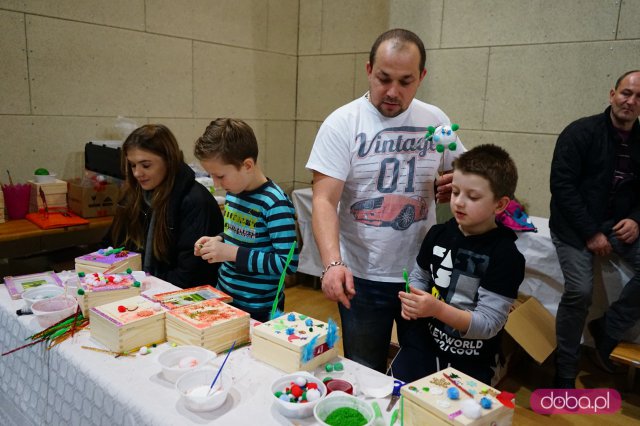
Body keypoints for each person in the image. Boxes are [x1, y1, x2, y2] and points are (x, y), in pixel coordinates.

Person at [306, 28, 464, 373]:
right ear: (368, 71)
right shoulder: (341, 124)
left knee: (422, 370)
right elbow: (323, 200)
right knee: (363, 369)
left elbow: (469, 177)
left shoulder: (435, 120)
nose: (392, 92)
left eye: (406, 81)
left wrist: (458, 185)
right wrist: (332, 264)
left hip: (422, 274)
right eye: (384, 78)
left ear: (421, 77)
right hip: (362, 275)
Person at [392, 144, 524, 384]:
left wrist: (436, 309)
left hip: (470, 362)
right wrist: (413, 299)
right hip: (423, 348)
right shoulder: (437, 234)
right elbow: (420, 276)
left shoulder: (506, 256)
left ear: (500, 204)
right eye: (454, 192)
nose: (459, 203)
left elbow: (489, 324)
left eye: (472, 197)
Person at [550, 70, 640, 389]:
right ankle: (565, 370)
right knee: (580, 291)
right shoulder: (580, 132)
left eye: (638, 97)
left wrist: (636, 219)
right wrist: (591, 232)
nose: (631, 101)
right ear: (612, 94)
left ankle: (608, 329)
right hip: (573, 227)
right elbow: (562, 187)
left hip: (617, 225)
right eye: (626, 93)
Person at [193, 118, 298, 322]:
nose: (216, 184)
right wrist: (218, 241)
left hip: (259, 307)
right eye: (211, 176)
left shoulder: (275, 203)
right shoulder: (234, 192)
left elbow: (287, 263)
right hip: (225, 295)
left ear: (247, 165)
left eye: (221, 176)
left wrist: (231, 253)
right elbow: (240, 234)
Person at [105, 124, 224, 288]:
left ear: (169, 161)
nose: (137, 173)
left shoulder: (195, 201)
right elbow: (111, 247)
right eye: (133, 165)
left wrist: (138, 283)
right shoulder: (133, 194)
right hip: (140, 287)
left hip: (180, 295)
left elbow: (190, 277)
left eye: (146, 165)